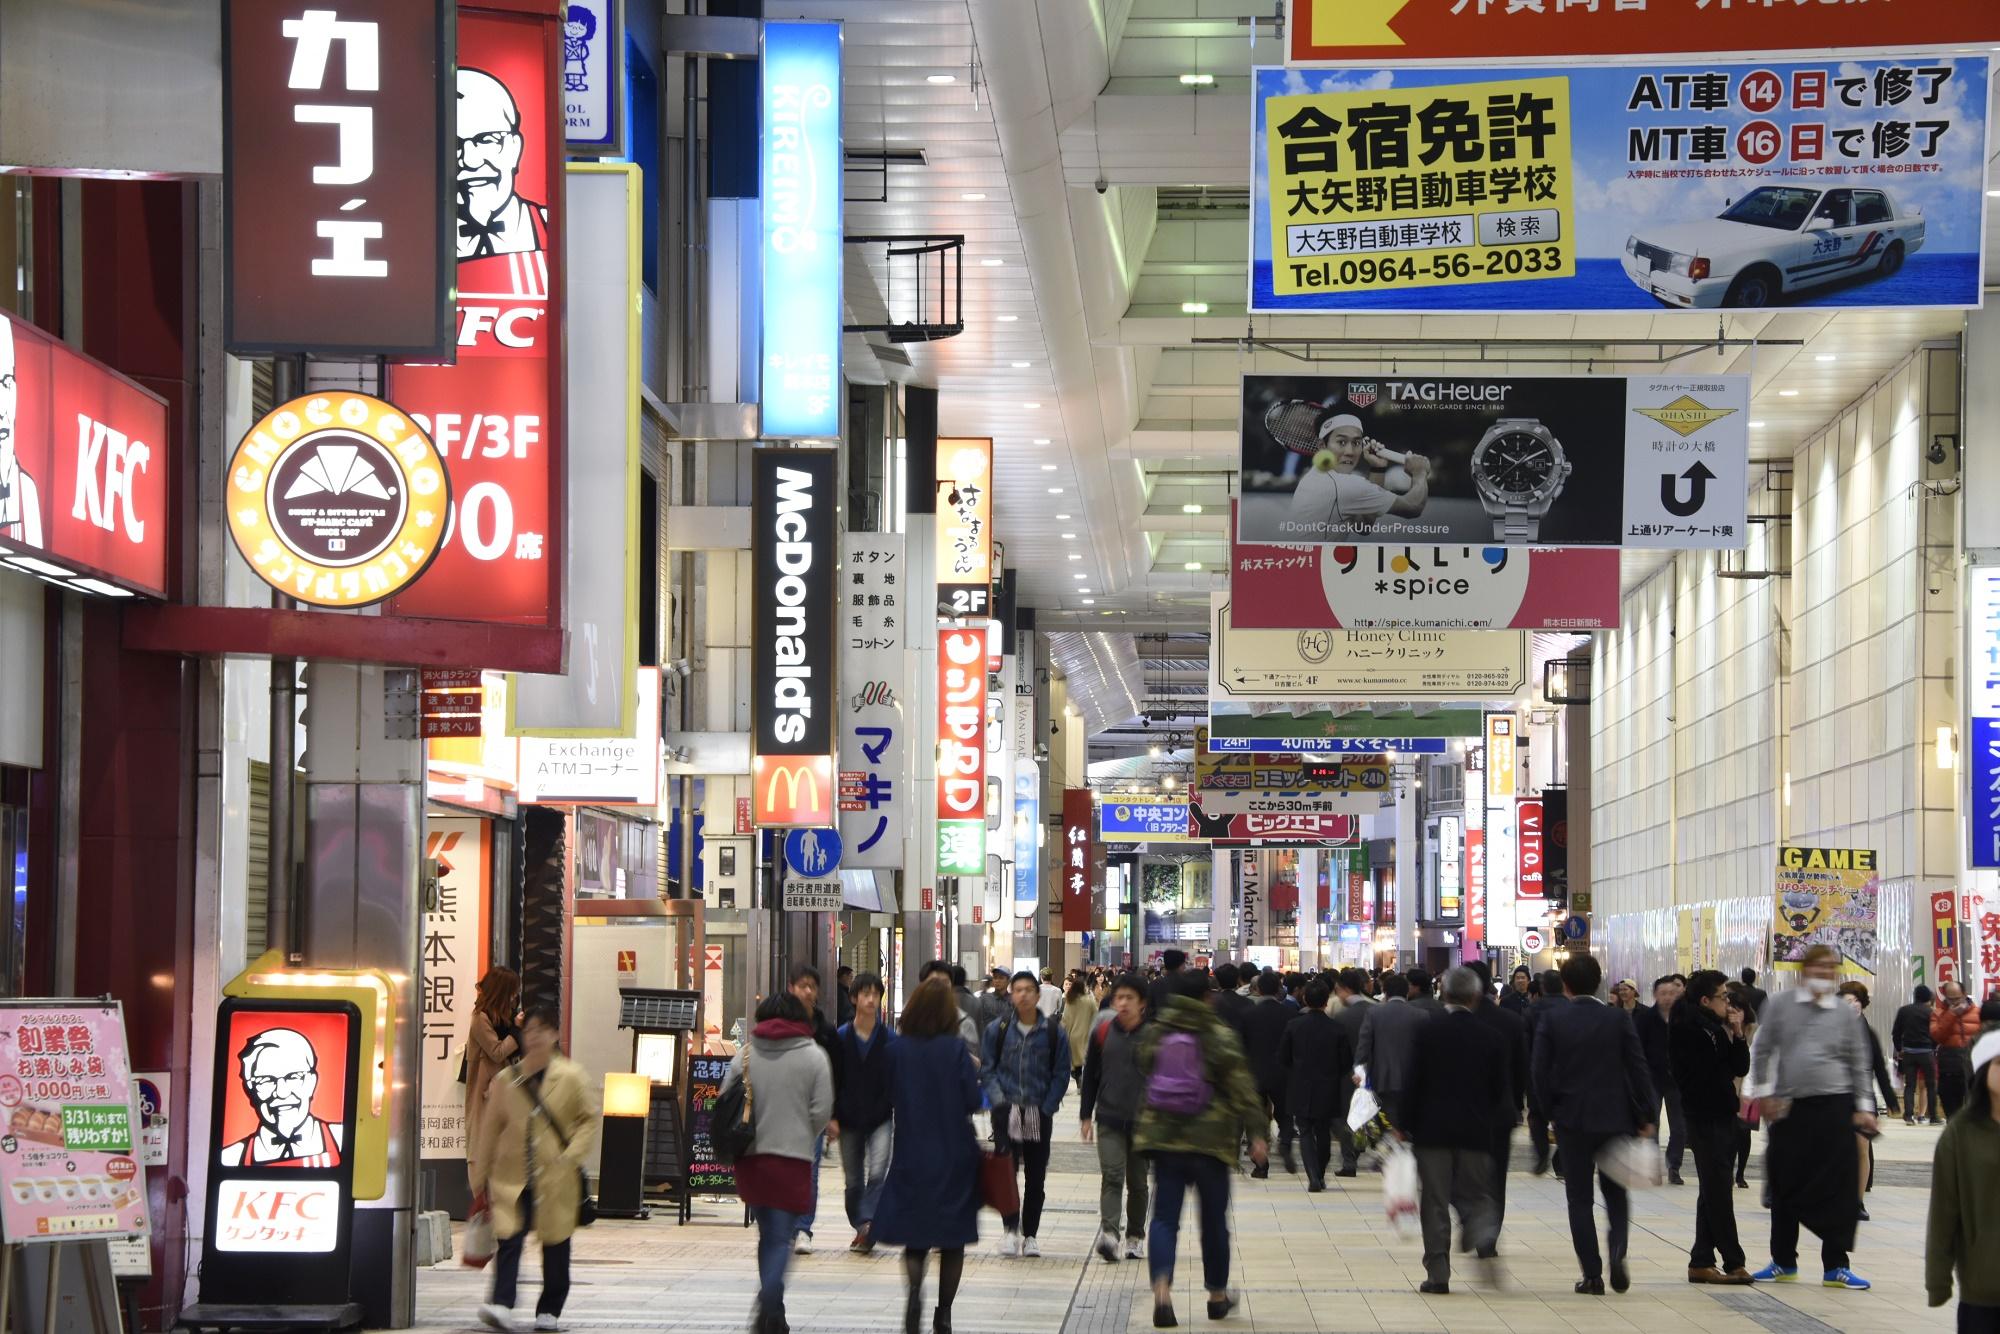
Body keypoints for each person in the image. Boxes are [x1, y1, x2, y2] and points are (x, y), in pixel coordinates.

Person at [1744, 944, 1878, 1291]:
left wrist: (1864, 1105)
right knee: (1784, 1180)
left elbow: (1858, 1062)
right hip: (1791, 1106)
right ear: (1804, 970)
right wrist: (1763, 1091)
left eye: (1831, 968)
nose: (1824, 974)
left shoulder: (1844, 1013)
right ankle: (1783, 1261)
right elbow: (1761, 1050)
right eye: (1818, 967)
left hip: (1836, 1107)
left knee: (1839, 1185)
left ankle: (1836, 1266)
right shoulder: (1780, 1005)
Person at [1138, 969, 1267, 1328]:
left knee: (1164, 1219)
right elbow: (1243, 1088)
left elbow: (1144, 1065)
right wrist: (1257, 1134)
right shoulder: (1219, 1035)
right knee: (1213, 1222)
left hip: (1165, 1140)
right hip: (1211, 1143)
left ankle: (1162, 1295)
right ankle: (1216, 1296)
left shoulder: (1157, 1032)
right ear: (1207, 997)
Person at [1531, 953, 1657, 1296]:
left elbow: (1538, 1072)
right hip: (1616, 1118)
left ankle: (1592, 1274)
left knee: (1579, 1199)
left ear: (1566, 984)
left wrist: (1548, 1112)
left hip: (1572, 1120)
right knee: (1616, 1193)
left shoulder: (1554, 1020)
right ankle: (1618, 1250)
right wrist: (1646, 1115)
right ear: (1600, 983)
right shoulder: (1617, 1019)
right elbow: (1638, 1067)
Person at [473, 1006, 599, 1334]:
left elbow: (588, 1119)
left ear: (554, 1035)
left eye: (542, 1031)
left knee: (556, 1243)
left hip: (556, 1175)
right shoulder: (507, 1079)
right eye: (529, 1031)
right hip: (512, 1176)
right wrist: (479, 1175)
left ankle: (550, 1309)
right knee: (510, 1239)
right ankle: (502, 1303)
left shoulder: (571, 1077)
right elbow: (490, 1129)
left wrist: (571, 1155)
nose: (535, 1037)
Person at [871, 977, 982, 1334]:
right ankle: (944, 1313)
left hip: (911, 1153)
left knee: (915, 1236)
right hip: (954, 1155)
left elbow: (886, 1095)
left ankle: (915, 1292)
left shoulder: (895, 1051)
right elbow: (970, 1100)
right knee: (952, 1240)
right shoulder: (955, 1051)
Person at [721, 992, 833, 1334]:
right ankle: (769, 1299)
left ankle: (775, 1312)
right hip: (793, 1161)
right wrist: (801, 1135)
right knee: (780, 1236)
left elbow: (725, 1097)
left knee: (768, 1233)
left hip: (753, 1160)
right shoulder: (814, 1057)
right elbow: (822, 1111)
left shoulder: (746, 1055)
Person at [1401, 967, 1508, 1293]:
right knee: (1476, 1195)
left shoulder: (1426, 1031)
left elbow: (1412, 1081)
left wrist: (1404, 1125)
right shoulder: (1492, 1036)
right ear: (1476, 996)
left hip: (1432, 1131)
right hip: (1475, 1130)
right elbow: (1498, 1091)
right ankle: (1484, 1234)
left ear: (1443, 994)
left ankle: (1438, 1274)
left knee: (1434, 1200)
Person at [1668, 970, 1753, 1285]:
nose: (1727, 1002)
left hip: (1722, 1114)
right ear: (1705, 1000)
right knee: (1718, 1191)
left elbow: (1739, 1066)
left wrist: (1738, 1033)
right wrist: (1723, 1036)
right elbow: (1702, 1075)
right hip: (1703, 1117)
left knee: (1714, 1189)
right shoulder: (1688, 1029)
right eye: (1722, 996)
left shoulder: (1715, 1028)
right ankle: (1734, 1261)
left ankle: (1701, 1261)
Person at [980, 970, 1071, 1257]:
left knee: (1036, 1175)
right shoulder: (998, 1029)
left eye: (1028, 989)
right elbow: (988, 1069)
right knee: (1007, 1173)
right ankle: (1010, 1230)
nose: (1023, 994)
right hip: (1007, 1110)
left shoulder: (1053, 1032)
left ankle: (1030, 1234)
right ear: (1012, 992)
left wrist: (1047, 1106)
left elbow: (1061, 1072)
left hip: (1036, 1110)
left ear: (1038, 993)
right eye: (1017, 989)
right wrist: (998, 1101)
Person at [1925, 1030, 2000, 1328]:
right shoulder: (1961, 1134)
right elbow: (1944, 1211)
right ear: (1983, 1072)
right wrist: (1938, 1279)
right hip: (1983, 1284)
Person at [1079, 973, 1150, 1261]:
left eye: (1129, 998)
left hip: (1144, 1121)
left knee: (1139, 1182)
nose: (1122, 1003)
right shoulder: (1103, 1032)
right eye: (1119, 997)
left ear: (1142, 1003)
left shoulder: (1154, 1035)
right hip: (1108, 1116)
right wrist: (1086, 1115)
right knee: (1112, 1175)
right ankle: (1109, 1234)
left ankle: (1135, 1235)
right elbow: (1091, 1077)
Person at [1284, 413, 1433, 537]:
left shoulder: (1316, 475)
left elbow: (1364, 526)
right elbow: (1413, 507)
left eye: (1356, 443)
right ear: (1322, 445)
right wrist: (1419, 473)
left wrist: (1377, 468)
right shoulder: (1344, 485)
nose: (1349, 452)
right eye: (1341, 442)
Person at [222, 1026, 344, 1168]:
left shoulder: (342, 1140)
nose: (281, 1092)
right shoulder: (231, 1158)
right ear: (250, 1089)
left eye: (293, 1077)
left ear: (312, 1082)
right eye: (266, 1080)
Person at [834, 972, 895, 1253]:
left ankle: (868, 1224)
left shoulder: (889, 1039)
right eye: (865, 994)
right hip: (848, 1119)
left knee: (879, 1173)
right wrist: (831, 1116)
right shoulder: (841, 1037)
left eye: (875, 994)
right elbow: (833, 1079)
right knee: (853, 1180)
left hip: (881, 1117)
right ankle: (862, 1225)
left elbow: (896, 1078)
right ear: (854, 998)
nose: (871, 999)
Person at [1467, 959, 1527, 1228]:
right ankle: (1490, 1232)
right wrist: (1518, 1105)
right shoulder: (1511, 1021)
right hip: (1501, 1111)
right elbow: (1521, 1069)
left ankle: (1472, 1220)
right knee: (1496, 1174)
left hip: (1463, 1112)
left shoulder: (1453, 1022)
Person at [787, 965, 842, 1255]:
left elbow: (835, 1075)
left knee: (809, 1171)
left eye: (812, 986)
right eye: (802, 985)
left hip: (814, 1113)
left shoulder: (825, 1031)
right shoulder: (778, 1026)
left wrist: (833, 1115)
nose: (807, 991)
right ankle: (786, 1224)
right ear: (791, 988)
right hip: (783, 1111)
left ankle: (803, 1228)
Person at [1837, 981, 1899, 1222]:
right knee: (1839, 1150)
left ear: (1863, 1004)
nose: (1852, 1006)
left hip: (1863, 1099)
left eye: (1855, 1001)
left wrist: (1892, 1100)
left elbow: (1879, 1069)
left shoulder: (1868, 1032)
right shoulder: (1830, 1030)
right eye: (1846, 1002)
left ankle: (1857, 1201)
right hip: (1837, 1098)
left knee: (1862, 1149)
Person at [1278, 978, 1346, 1192]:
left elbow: (1283, 1057)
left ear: (1305, 999)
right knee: (1323, 1131)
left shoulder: (1294, 1025)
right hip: (1328, 1086)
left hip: (1300, 1084)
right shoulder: (1337, 1028)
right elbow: (1346, 1062)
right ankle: (1320, 1172)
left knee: (1305, 1131)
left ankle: (1313, 1176)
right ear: (1327, 1002)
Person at [464, 967, 520, 1186]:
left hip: (501, 1089)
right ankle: (481, 1200)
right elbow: (496, 1052)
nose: (515, 996)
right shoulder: (480, 1018)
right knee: (479, 1142)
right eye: (512, 992)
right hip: (483, 1089)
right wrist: (516, 1031)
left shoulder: (501, 1017)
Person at [1355, 971, 1430, 1128]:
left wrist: (1359, 1071)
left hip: (1381, 1077)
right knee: (1408, 1122)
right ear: (1406, 991)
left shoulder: (1374, 1013)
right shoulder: (1421, 1015)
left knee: (1385, 1121)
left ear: (1385, 991)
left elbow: (1364, 1046)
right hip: (1413, 1078)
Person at [1239, 970, 1296, 1176]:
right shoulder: (1290, 1013)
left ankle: (1261, 1166)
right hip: (1283, 1072)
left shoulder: (1248, 1014)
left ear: (1258, 989)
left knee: (1257, 1117)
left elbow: (1242, 1046)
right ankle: (1286, 1142)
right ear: (1279, 989)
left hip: (1255, 1072)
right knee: (1285, 1112)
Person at [1634, 975, 1688, 1185]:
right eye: (1663, 993)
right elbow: (1637, 1049)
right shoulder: (1646, 1019)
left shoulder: (1685, 1018)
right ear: (1655, 995)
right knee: (1652, 1122)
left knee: (1680, 1126)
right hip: (1652, 1079)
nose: (1668, 998)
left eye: (1672, 993)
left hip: (1678, 1080)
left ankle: (1674, 1166)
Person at [1328, 968, 1374, 1177]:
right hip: (1373, 1072)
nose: (1338, 995)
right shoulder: (1376, 1009)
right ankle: (1368, 1150)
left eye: (1339, 991)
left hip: (1348, 1074)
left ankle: (1349, 1160)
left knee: (1346, 1116)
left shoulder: (1342, 1017)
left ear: (1346, 989)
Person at [1524, 970, 1564, 1177]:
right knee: (1563, 1116)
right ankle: (1561, 1160)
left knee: (1537, 1116)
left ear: (1542, 988)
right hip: (1565, 1073)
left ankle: (1542, 1153)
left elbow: (1527, 1045)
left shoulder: (1532, 1010)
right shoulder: (1570, 1007)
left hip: (1538, 1072)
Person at [1894, 984, 1941, 1125]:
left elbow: (1896, 1033)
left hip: (1908, 1052)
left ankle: (1908, 1116)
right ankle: (1933, 1117)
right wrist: (1932, 1047)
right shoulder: (1931, 1012)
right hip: (1926, 1053)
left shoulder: (1903, 1011)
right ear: (1928, 997)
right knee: (1930, 1085)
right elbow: (1936, 1034)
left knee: (1910, 1085)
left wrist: (1899, 1049)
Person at [1934, 981, 1981, 1119]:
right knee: (1952, 1114)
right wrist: (1951, 1015)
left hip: (1973, 1070)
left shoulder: (1978, 1013)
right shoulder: (1938, 1014)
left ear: (1965, 994)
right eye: (1950, 999)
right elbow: (1937, 1036)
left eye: (1957, 998)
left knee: (1973, 1113)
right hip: (1949, 1069)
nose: (1954, 1002)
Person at [919, 960, 980, 1058]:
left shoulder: (965, 1023)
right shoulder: (910, 1021)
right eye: (933, 982)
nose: (939, 987)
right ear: (921, 986)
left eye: (945, 982)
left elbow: (974, 1065)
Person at [1061, 974, 1098, 1081]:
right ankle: (1083, 1080)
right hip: (1086, 1034)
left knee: (1075, 1061)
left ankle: (1078, 1079)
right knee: (1085, 1060)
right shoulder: (1089, 1000)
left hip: (1073, 1035)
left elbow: (1065, 1019)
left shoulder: (1070, 1000)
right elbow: (1096, 1016)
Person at [1146, 949, 1189, 1018]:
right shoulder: (1186, 984)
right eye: (1184, 963)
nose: (1185, 967)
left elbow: (1148, 1010)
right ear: (1181, 965)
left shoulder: (1154, 984)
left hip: (1158, 1025)